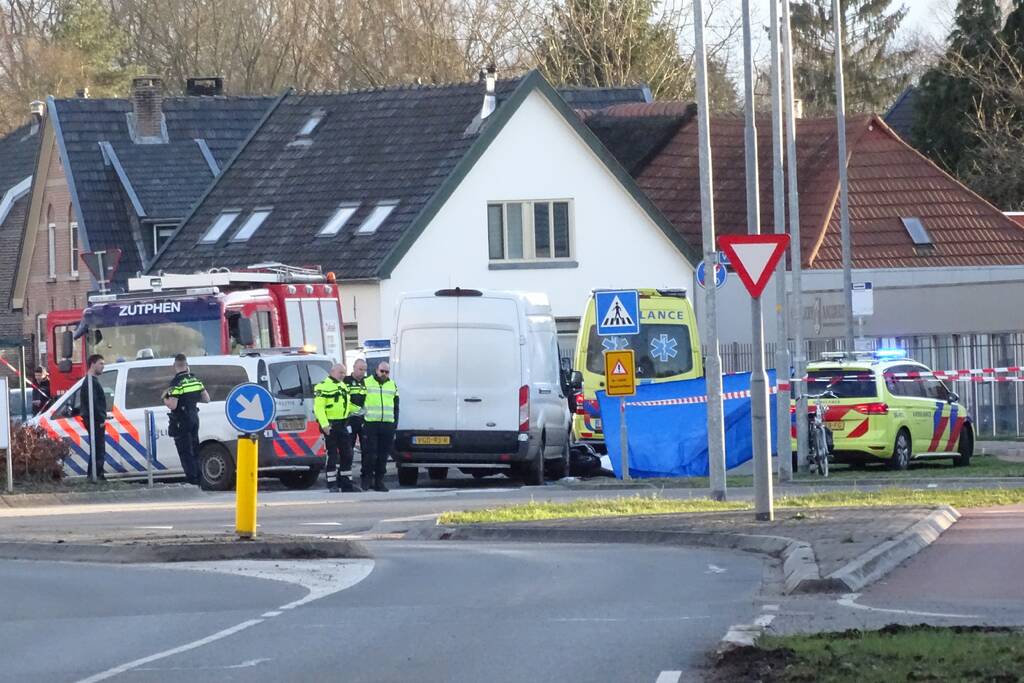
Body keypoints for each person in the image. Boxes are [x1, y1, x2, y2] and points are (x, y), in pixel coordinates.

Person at [162, 354, 210, 486]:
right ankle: (200, 480)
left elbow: (173, 405)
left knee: (185, 452)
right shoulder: (195, 380)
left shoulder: (176, 383)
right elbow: (207, 399)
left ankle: (192, 482)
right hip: (194, 417)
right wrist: (191, 400)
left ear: (175, 366)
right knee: (195, 449)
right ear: (186, 365)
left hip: (181, 420)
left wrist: (165, 399)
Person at [314, 364, 360, 492]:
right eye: (340, 372)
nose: (343, 375)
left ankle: (346, 484)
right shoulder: (322, 386)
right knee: (332, 455)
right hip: (331, 425)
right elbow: (319, 408)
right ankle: (332, 484)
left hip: (343, 425)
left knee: (348, 454)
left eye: (344, 372)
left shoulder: (343, 386)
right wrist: (324, 425)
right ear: (332, 371)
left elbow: (347, 404)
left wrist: (360, 410)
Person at [362, 361, 398, 492]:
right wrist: (362, 421)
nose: (384, 374)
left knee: (383, 456)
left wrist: (394, 425)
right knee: (370, 455)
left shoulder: (392, 385)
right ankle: (366, 480)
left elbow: (396, 407)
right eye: (382, 371)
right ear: (376, 370)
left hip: (387, 425)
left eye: (386, 372)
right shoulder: (366, 382)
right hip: (371, 424)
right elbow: (359, 403)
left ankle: (379, 482)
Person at [78, 354, 107, 481]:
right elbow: (94, 403)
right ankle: (95, 475)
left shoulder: (91, 381)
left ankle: (95, 474)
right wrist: (100, 419)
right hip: (95, 420)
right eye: (101, 363)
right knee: (98, 448)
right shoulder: (90, 382)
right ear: (92, 364)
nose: (103, 366)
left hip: (94, 419)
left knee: (97, 448)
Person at [343, 359, 369, 488]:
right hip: (350, 419)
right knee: (348, 449)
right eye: (360, 369)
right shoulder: (345, 381)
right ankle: (346, 477)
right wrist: (357, 410)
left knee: (366, 450)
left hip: (364, 420)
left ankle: (365, 478)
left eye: (364, 370)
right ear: (353, 367)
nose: (362, 372)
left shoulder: (367, 382)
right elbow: (344, 400)